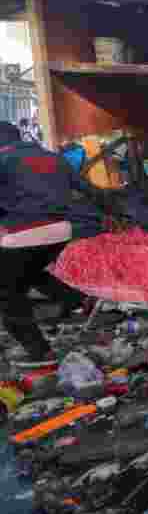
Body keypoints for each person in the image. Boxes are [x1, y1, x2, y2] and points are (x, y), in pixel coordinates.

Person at [0, 122, 100, 366]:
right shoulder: (53, 158)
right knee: (28, 272)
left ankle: (39, 352)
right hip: (60, 232)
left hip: (21, 233)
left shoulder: (3, 160)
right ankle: (79, 300)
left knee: (8, 292)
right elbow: (88, 190)